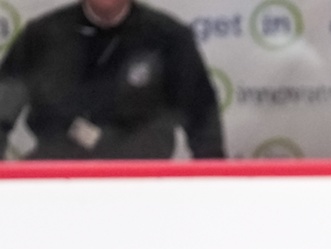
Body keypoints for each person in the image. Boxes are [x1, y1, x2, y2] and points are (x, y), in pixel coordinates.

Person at [0, 0, 223, 159]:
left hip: (144, 182)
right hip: (59, 177)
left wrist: (213, 185)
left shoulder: (168, 36)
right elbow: (2, 107)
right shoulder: (42, 35)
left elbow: (201, 113)